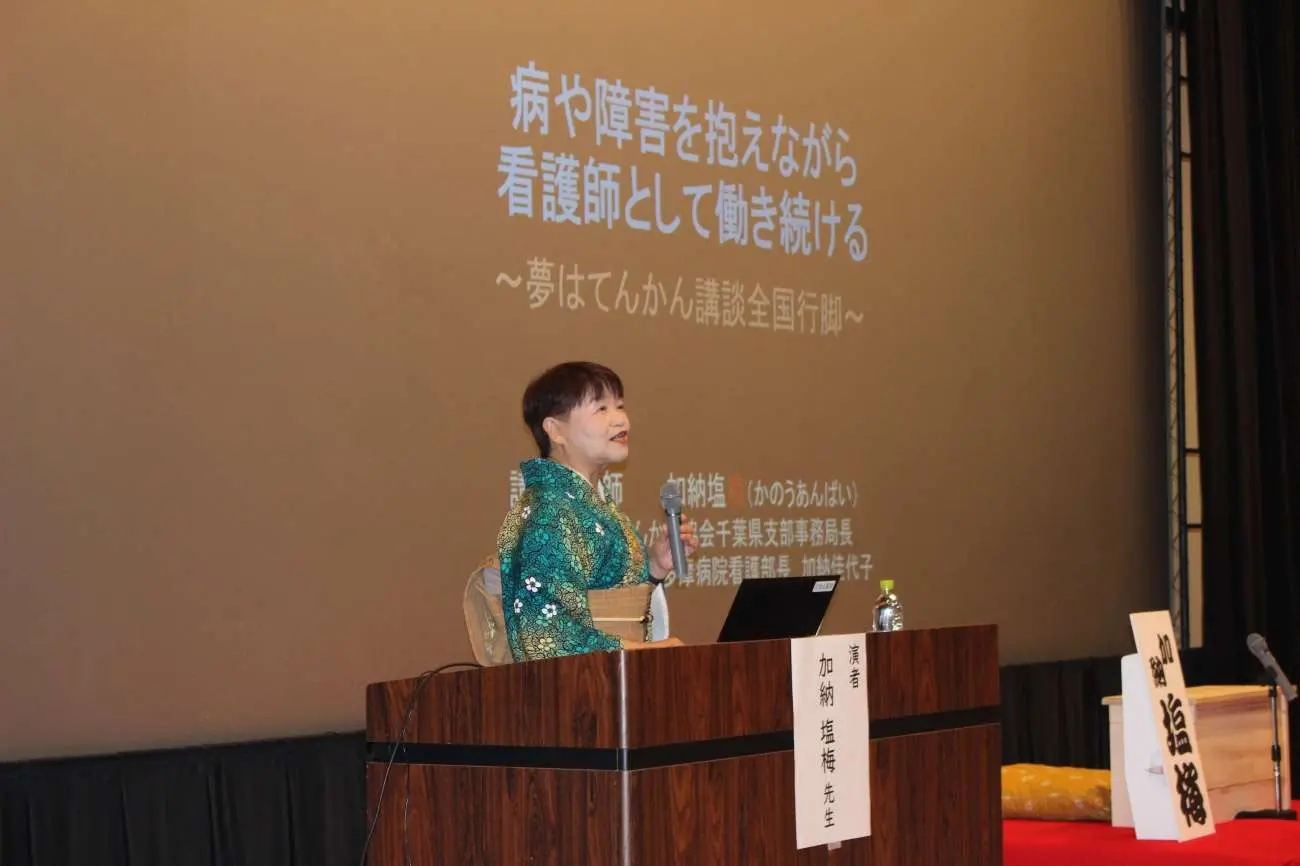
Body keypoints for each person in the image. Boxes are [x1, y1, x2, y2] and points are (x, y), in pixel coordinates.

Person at [497, 361, 697, 661]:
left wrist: (655, 568)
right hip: (581, 687)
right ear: (555, 430)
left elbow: (619, 607)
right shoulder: (546, 512)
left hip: (612, 679)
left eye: (620, 406)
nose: (621, 420)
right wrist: (644, 652)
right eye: (601, 409)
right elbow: (548, 636)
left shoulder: (587, 503)